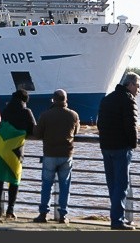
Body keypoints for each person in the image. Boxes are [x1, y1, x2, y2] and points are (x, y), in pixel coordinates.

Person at [97, 72, 140, 230]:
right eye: (138, 86)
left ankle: (117, 217)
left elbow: (99, 123)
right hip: (121, 148)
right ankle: (117, 220)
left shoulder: (107, 99)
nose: (139, 90)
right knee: (122, 185)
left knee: (112, 185)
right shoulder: (129, 100)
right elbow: (131, 126)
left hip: (106, 147)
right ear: (130, 84)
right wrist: (133, 144)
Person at [32, 89, 80, 224]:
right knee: (65, 186)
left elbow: (37, 134)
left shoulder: (45, 115)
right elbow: (76, 131)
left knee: (47, 185)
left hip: (50, 154)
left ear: (53, 100)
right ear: (66, 100)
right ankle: (63, 215)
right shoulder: (73, 115)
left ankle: (43, 214)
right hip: (66, 155)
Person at [0, 88, 36, 221]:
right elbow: (33, 129)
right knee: (14, 181)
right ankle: (10, 210)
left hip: (0, 149)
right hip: (15, 152)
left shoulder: (5, 111)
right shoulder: (26, 112)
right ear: (25, 100)